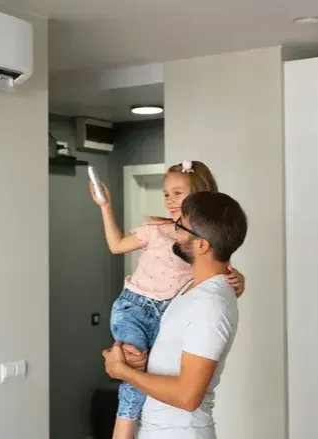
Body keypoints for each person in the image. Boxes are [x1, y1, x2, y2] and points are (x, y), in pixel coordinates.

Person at [89, 160, 247, 439]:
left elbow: (188, 396)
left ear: (201, 244)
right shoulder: (188, 289)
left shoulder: (210, 304)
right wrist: (133, 360)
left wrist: (123, 371)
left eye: (182, 227)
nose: (174, 230)